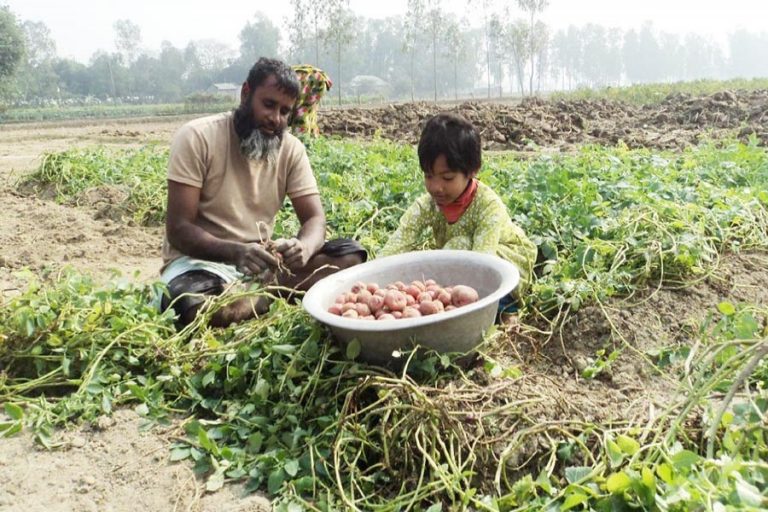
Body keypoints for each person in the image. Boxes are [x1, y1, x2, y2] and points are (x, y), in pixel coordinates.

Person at [160, 57, 365, 327]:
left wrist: (303, 246)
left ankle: (255, 297)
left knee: (351, 257)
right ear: (246, 94)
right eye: (268, 105)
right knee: (188, 304)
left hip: (264, 266)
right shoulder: (198, 137)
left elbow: (315, 219)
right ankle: (271, 296)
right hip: (202, 265)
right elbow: (179, 228)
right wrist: (236, 252)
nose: (275, 119)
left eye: (284, 111)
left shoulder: (291, 150)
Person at [380, 113, 537, 320]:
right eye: (429, 176)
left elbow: (483, 264)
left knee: (459, 247)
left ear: (472, 171)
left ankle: (506, 310)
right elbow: (398, 243)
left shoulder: (487, 205)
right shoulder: (427, 205)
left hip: (505, 261)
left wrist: (443, 296)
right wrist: (375, 283)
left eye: (447, 178)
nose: (436, 187)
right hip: (459, 263)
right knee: (452, 254)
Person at [290, 64, 332, 137]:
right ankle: (311, 138)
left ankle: (303, 141)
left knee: (301, 113)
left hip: (311, 79)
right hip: (318, 78)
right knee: (308, 112)